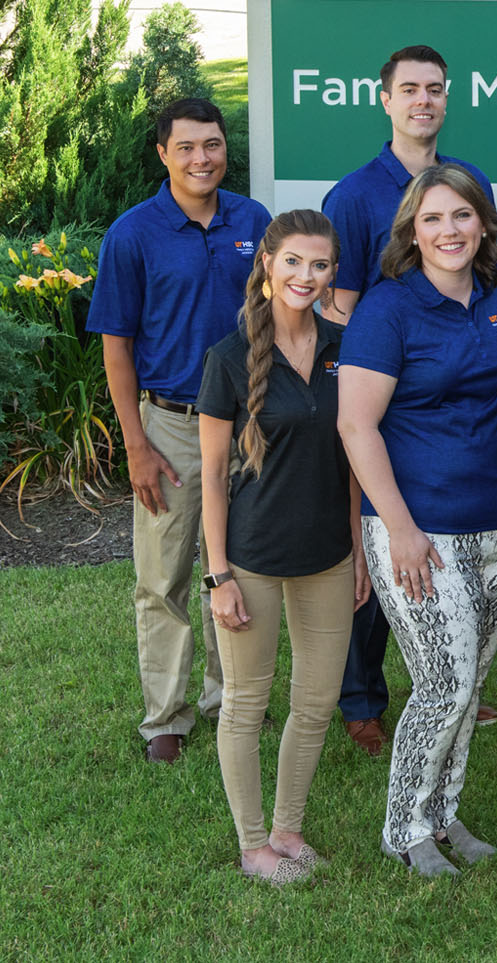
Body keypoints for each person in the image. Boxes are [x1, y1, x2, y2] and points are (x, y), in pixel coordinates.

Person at [337, 164, 497, 877]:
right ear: (411, 232)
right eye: (433, 219)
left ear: (482, 223)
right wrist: (401, 528)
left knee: (470, 678)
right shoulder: (388, 310)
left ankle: (446, 814)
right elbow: (356, 425)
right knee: (443, 682)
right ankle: (406, 829)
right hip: (419, 526)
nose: (449, 231)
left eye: (461, 216)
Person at [322, 44, 497, 756]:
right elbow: (336, 308)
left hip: (450, 405)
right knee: (380, 545)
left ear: (446, 100)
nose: (423, 99)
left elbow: (481, 280)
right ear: (385, 99)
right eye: (410, 89)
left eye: (435, 89)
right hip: (379, 399)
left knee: (450, 555)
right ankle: (363, 698)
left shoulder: (466, 181)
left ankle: (451, 679)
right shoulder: (354, 195)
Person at [87, 97, 272, 763]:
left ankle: (232, 700)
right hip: (170, 426)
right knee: (162, 576)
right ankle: (166, 715)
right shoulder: (133, 234)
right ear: (163, 154)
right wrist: (136, 443)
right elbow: (117, 348)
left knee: (239, 566)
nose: (202, 158)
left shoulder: (254, 222)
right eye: (187, 147)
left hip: (247, 424)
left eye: (213, 145)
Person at [197, 210, 368, 884]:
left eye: (320, 265)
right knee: (246, 702)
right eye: (293, 261)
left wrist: (354, 547)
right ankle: (251, 844)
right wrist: (218, 577)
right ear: (267, 262)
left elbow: (355, 453)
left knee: (318, 699)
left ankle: (287, 827)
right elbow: (211, 476)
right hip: (251, 558)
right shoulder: (226, 359)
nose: (306, 276)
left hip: (326, 554)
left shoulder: (345, 345)